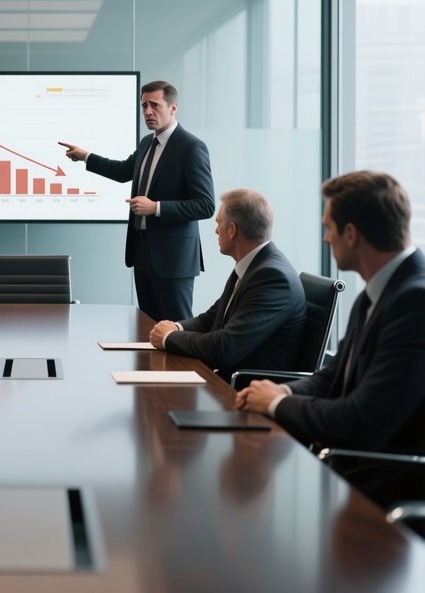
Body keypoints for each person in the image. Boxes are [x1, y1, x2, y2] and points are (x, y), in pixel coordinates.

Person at [236, 171, 425, 459]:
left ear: (350, 234)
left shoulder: (415, 302)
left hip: (378, 480)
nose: (325, 238)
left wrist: (276, 405)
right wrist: (283, 393)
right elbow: (331, 378)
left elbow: (360, 419)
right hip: (344, 459)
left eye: (328, 228)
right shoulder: (373, 295)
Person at [59, 80, 215, 320]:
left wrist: (156, 208)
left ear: (173, 108)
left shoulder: (191, 147)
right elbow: (123, 171)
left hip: (173, 259)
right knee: (147, 328)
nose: (148, 112)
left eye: (155, 105)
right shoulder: (146, 143)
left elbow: (206, 204)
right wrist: (86, 157)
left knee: (176, 327)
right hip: (143, 252)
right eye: (144, 106)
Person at [149, 189, 306, 380]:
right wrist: (175, 327)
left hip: (244, 389)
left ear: (232, 230)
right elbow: (211, 319)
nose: (216, 230)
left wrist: (168, 338)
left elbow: (225, 348)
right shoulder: (254, 266)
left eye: (218, 223)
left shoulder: (272, 278)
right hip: (228, 379)